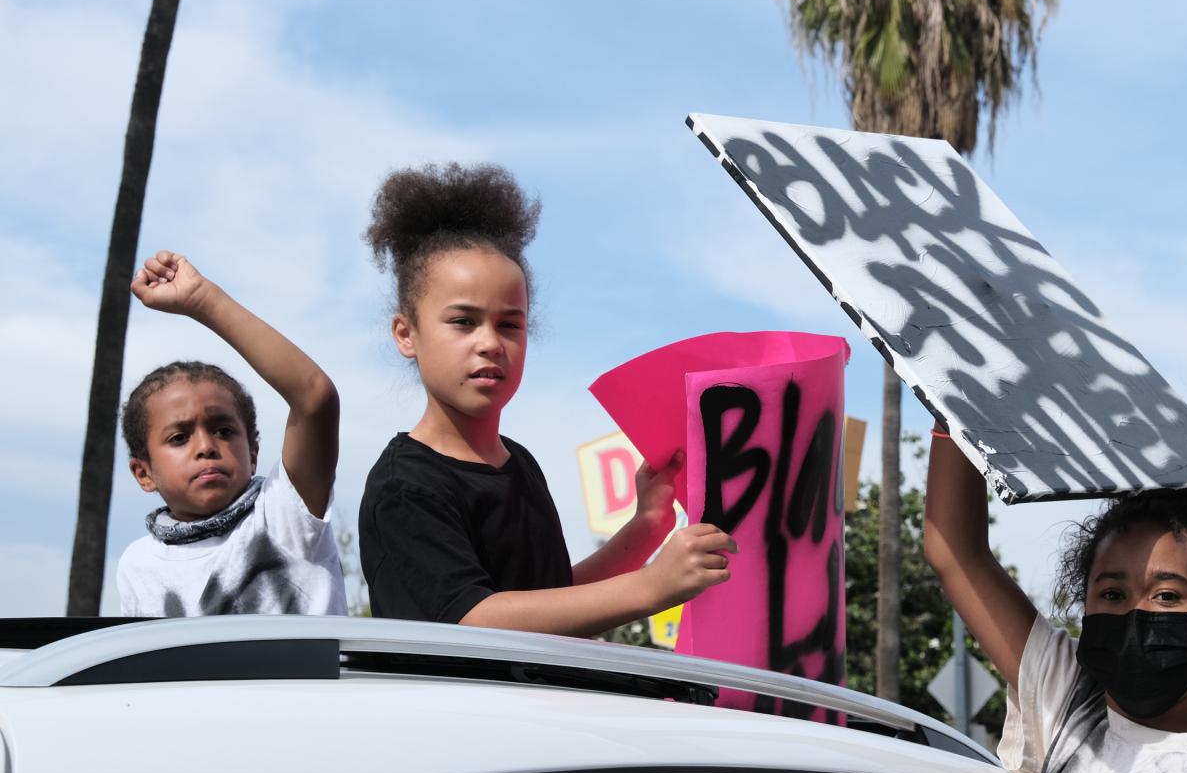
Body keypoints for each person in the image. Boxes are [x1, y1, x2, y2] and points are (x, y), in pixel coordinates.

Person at [358, 162, 735, 634]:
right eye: (463, 321)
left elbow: (553, 603)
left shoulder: (520, 463)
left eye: (509, 324)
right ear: (405, 333)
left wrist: (649, 524)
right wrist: (651, 587)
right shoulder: (404, 486)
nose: (490, 342)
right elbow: (469, 621)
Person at [923, 419, 1187, 773]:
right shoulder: (1072, 700)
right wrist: (955, 406)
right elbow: (955, 552)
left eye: (1167, 595)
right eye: (1113, 595)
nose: (1136, 614)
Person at [117, 251, 346, 617]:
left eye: (224, 431)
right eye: (179, 438)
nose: (207, 447)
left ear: (253, 453)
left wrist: (202, 299)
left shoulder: (284, 515)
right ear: (143, 473)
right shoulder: (137, 564)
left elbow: (314, 397)